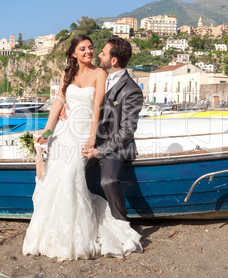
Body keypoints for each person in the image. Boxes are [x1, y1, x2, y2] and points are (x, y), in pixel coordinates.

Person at [22, 35, 142, 261]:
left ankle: (75, 236)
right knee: (51, 175)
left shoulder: (100, 74)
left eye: (92, 48)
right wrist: (47, 133)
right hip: (63, 129)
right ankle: (49, 233)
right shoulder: (67, 74)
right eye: (83, 48)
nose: (89, 51)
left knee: (70, 174)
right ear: (73, 53)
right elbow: (58, 102)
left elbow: (97, 108)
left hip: (84, 131)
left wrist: (90, 138)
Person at [81, 37, 144, 221]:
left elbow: (126, 132)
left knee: (107, 181)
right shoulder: (98, 76)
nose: (98, 55)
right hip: (91, 139)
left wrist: (99, 151)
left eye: (103, 53)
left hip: (116, 146)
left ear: (113, 60)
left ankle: (121, 226)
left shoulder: (131, 90)